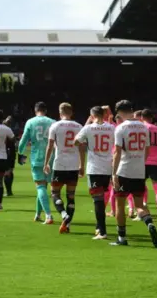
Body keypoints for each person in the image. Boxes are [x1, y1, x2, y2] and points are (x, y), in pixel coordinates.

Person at [110, 100, 157, 247]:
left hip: (124, 170)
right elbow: (147, 149)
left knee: (120, 204)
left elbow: (117, 152)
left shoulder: (121, 128)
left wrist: (114, 174)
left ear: (119, 112)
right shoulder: (143, 127)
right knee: (139, 205)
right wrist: (140, 163)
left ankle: (121, 237)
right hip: (139, 171)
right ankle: (149, 223)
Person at [75, 106, 115, 240]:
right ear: (103, 114)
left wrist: (87, 125)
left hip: (94, 167)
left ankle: (102, 231)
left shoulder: (88, 128)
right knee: (102, 198)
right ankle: (99, 227)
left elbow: (76, 141)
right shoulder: (111, 128)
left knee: (97, 200)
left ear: (92, 116)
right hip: (108, 167)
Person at [43, 103, 84, 234]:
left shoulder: (55, 126)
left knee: (55, 193)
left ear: (60, 113)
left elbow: (50, 146)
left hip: (59, 164)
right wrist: (82, 165)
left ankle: (63, 214)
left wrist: (46, 163)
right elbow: (82, 148)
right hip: (73, 165)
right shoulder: (79, 126)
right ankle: (68, 224)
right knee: (71, 196)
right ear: (71, 112)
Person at [19, 102, 56, 223]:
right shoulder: (52, 122)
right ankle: (38, 214)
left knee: (40, 186)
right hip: (51, 158)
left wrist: (20, 153)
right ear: (45, 110)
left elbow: (23, 140)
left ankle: (48, 215)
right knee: (43, 187)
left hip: (37, 157)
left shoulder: (30, 122)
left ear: (35, 110)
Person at [142, 109, 157, 223]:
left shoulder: (141, 128)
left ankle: (143, 208)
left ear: (142, 117)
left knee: (140, 187)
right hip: (156, 162)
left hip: (143, 162)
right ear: (151, 118)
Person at [3, 116, 17, 197]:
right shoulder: (13, 130)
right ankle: (9, 190)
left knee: (7, 172)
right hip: (12, 152)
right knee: (10, 171)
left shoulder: (5, 130)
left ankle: (8, 191)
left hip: (6, 152)